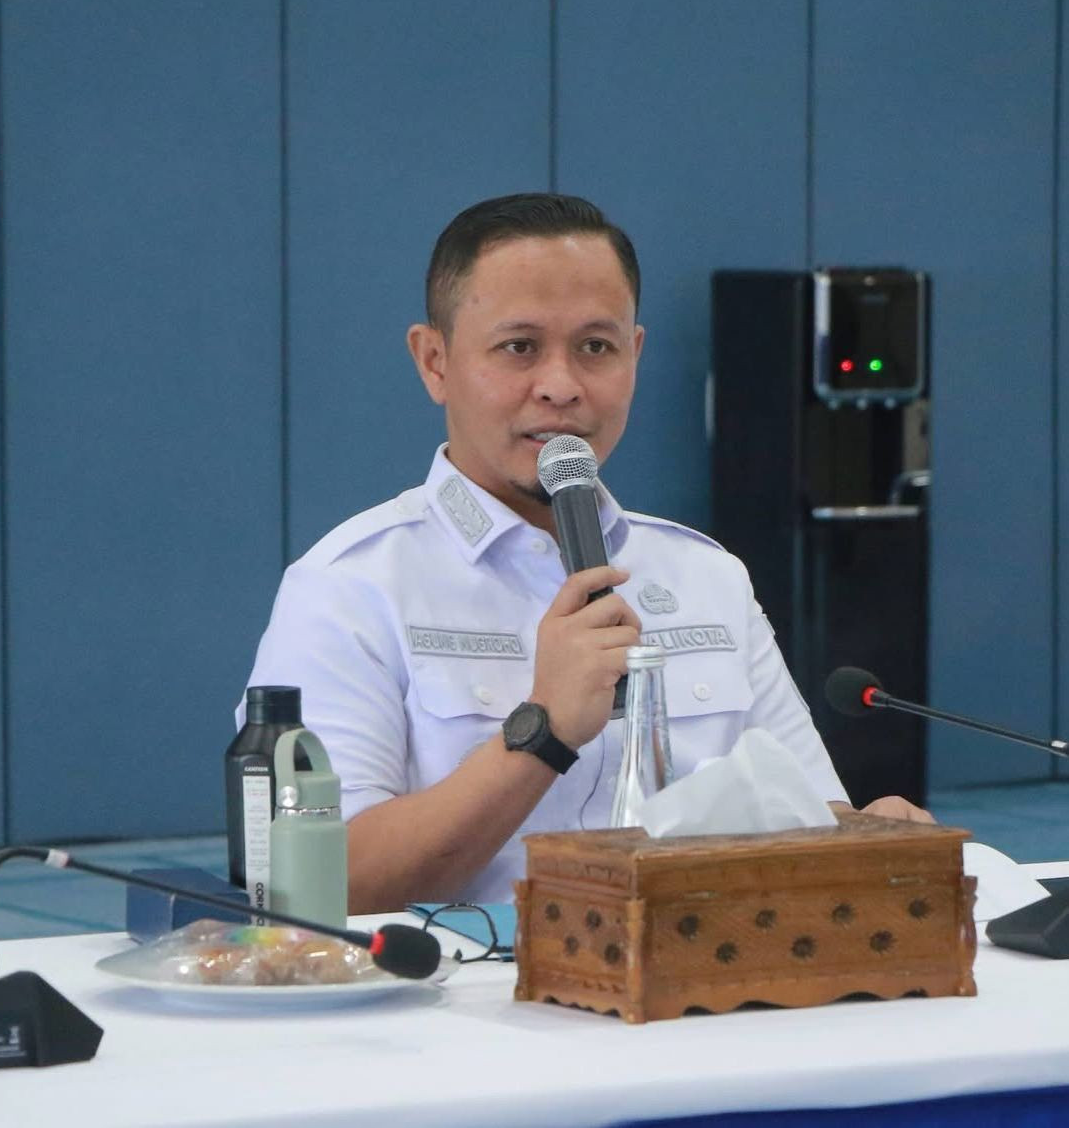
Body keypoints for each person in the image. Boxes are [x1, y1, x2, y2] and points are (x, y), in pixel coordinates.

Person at [243, 193, 931, 912]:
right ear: (435, 361)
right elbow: (322, 886)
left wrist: (866, 838)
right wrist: (542, 731)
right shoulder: (351, 588)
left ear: (635, 355)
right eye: (519, 347)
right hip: (467, 982)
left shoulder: (707, 577)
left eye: (596, 348)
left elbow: (803, 816)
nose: (562, 387)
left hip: (696, 972)